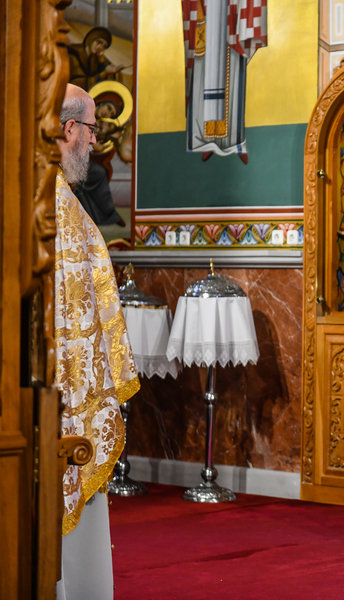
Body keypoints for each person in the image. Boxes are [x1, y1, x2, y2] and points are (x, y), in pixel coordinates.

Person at [55, 83, 139, 599]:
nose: (93, 140)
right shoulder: (56, 203)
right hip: (63, 399)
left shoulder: (55, 195)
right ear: (70, 129)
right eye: (89, 129)